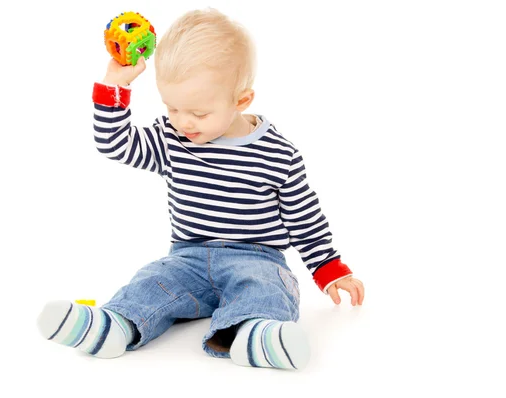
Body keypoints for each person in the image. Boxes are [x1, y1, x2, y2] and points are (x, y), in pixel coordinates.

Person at [37, 7, 365, 370]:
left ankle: (254, 335)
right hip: (187, 257)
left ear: (241, 100)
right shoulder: (171, 138)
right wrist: (116, 83)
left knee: (266, 288)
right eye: (172, 107)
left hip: (256, 257)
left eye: (198, 112)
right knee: (152, 281)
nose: (182, 122)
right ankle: (115, 324)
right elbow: (115, 143)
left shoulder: (278, 154)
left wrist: (329, 268)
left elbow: (305, 218)